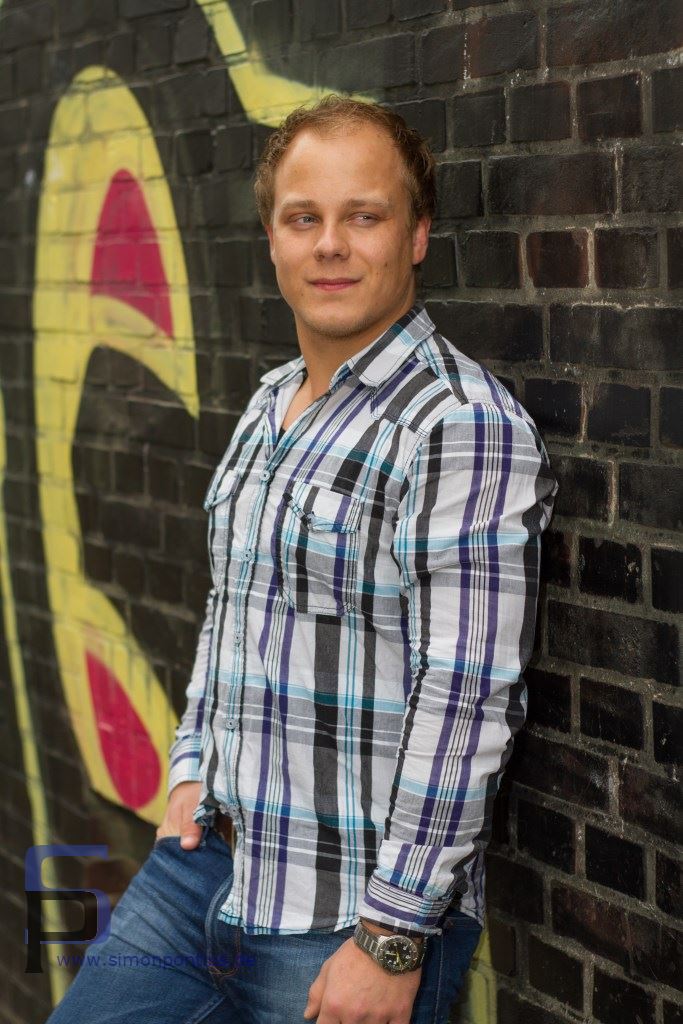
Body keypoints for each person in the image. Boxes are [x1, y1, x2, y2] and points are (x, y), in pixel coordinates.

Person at [46, 94, 557, 1024]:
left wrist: (391, 935)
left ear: (415, 236)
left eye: (363, 216)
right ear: (273, 241)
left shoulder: (458, 426)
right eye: (302, 218)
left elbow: (468, 697)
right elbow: (230, 606)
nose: (329, 245)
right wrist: (190, 765)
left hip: (343, 920)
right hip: (199, 871)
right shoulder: (270, 404)